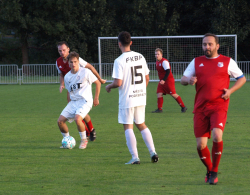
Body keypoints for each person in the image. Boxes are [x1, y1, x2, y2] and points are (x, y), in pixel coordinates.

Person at [181, 33, 246, 185]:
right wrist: (189, 80)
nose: (207, 47)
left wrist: (230, 91)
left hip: (219, 105)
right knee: (201, 145)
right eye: (204, 44)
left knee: (217, 135)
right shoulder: (197, 62)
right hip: (200, 108)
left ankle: (214, 171)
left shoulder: (227, 61)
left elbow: (242, 78)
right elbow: (183, 79)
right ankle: (210, 169)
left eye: (210, 44)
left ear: (217, 46)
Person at [105, 31, 158, 164]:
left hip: (127, 98)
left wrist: (109, 86)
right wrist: (140, 91)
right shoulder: (140, 56)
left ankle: (135, 157)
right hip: (140, 97)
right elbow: (147, 78)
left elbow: (118, 83)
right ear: (131, 43)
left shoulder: (119, 60)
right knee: (141, 124)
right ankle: (153, 152)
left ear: (119, 44)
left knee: (128, 126)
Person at [56, 41, 105, 141]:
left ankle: (90, 130)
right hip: (71, 87)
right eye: (60, 51)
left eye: (64, 50)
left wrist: (99, 79)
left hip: (82, 88)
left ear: (68, 49)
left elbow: (90, 67)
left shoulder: (75, 59)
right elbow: (61, 74)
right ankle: (87, 131)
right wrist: (62, 84)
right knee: (76, 111)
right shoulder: (58, 62)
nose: (62, 52)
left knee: (79, 112)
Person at [152, 48, 187, 113]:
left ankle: (183, 107)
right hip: (162, 81)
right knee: (159, 93)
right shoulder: (157, 62)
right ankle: (159, 109)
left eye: (158, 54)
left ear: (161, 54)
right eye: (156, 54)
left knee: (173, 94)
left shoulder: (164, 62)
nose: (157, 55)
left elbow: (168, 71)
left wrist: (164, 80)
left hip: (168, 81)